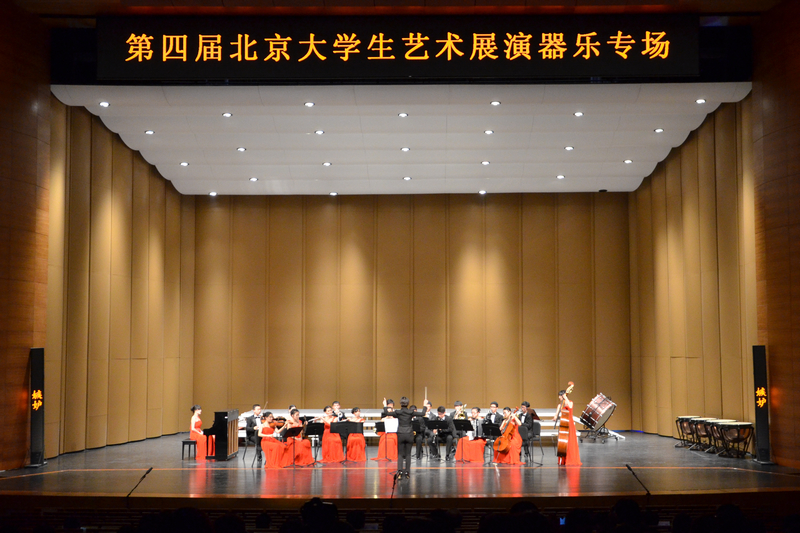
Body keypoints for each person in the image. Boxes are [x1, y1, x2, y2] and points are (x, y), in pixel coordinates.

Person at [383, 396, 428, 478]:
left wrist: (385, 405)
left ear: (400, 403)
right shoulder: (410, 412)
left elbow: (386, 413)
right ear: (408, 404)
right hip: (409, 434)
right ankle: (407, 472)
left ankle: (400, 471)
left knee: (400, 454)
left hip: (400, 434)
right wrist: (424, 405)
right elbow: (422, 413)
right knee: (408, 454)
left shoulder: (398, 412)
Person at [554, 387, 581, 466]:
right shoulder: (560, 405)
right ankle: (563, 459)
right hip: (563, 424)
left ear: (563, 396)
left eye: (560, 396)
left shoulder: (570, 402)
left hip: (570, 424)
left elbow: (570, 407)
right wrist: (555, 417)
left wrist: (565, 397)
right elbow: (556, 415)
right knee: (563, 443)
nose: (559, 397)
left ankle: (571, 459)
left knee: (570, 441)